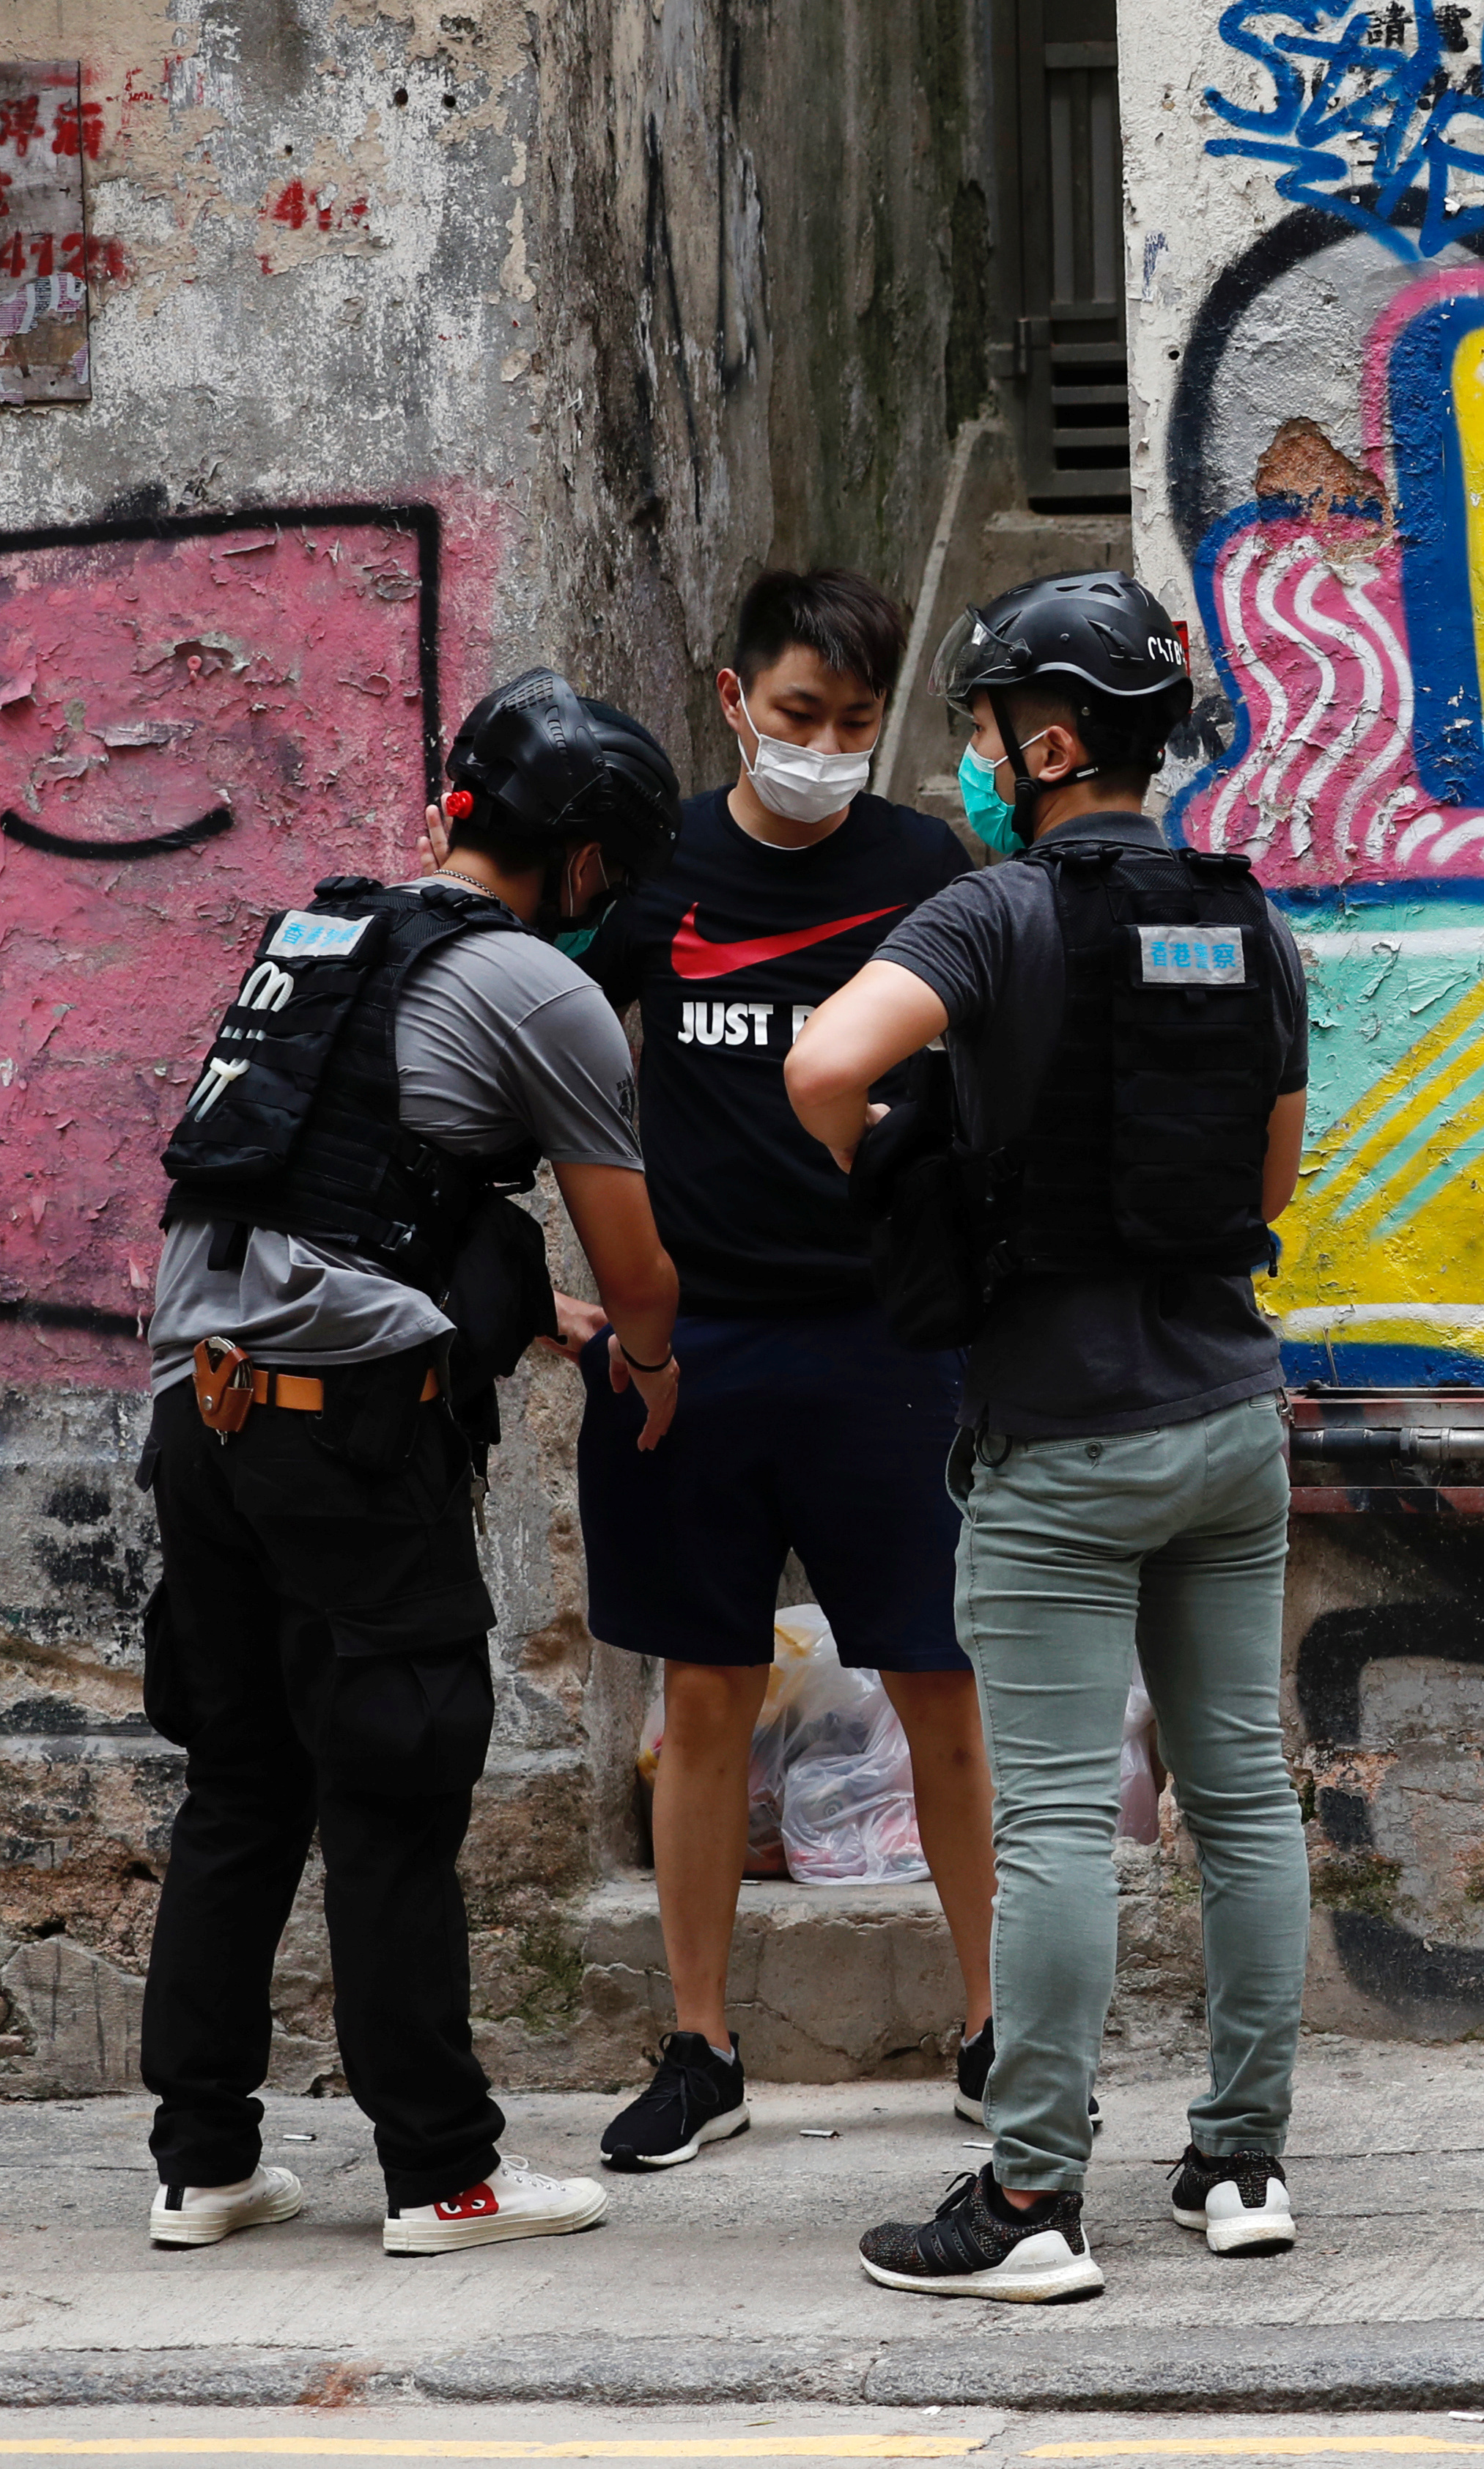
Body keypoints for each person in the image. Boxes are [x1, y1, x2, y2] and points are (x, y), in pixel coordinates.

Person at [783, 570, 1311, 2302]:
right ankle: (1241, 2160)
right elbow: (1272, 1182)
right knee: (1241, 1793)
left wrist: (919, 1155)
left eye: (994, 727)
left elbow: (819, 1063)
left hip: (1061, 1444)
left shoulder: (989, 914)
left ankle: (1030, 2198)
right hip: (1232, 1420)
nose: (979, 759)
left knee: (1058, 1822)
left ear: (1056, 735)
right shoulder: (1249, 920)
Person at [136, 671, 682, 2257]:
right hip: (348, 1441)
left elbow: (335, 1186)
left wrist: (523, 1314)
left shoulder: (318, 939)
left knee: (243, 1784)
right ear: (584, 863)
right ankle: (446, 2174)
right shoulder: (536, 984)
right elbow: (640, 1266)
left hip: (203, 1408)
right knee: (393, 1782)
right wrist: (641, 1358)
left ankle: (204, 2163)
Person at [575, 570, 997, 2173]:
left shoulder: (923, 870)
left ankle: (988, 2025)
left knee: (942, 1690)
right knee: (700, 1696)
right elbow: (549, 1063)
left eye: (854, 721)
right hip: (690, 1346)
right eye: (798, 713)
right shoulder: (654, 870)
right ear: (734, 695)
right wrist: (597, 1304)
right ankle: (700, 2046)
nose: (824, 746)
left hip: (892, 1338)